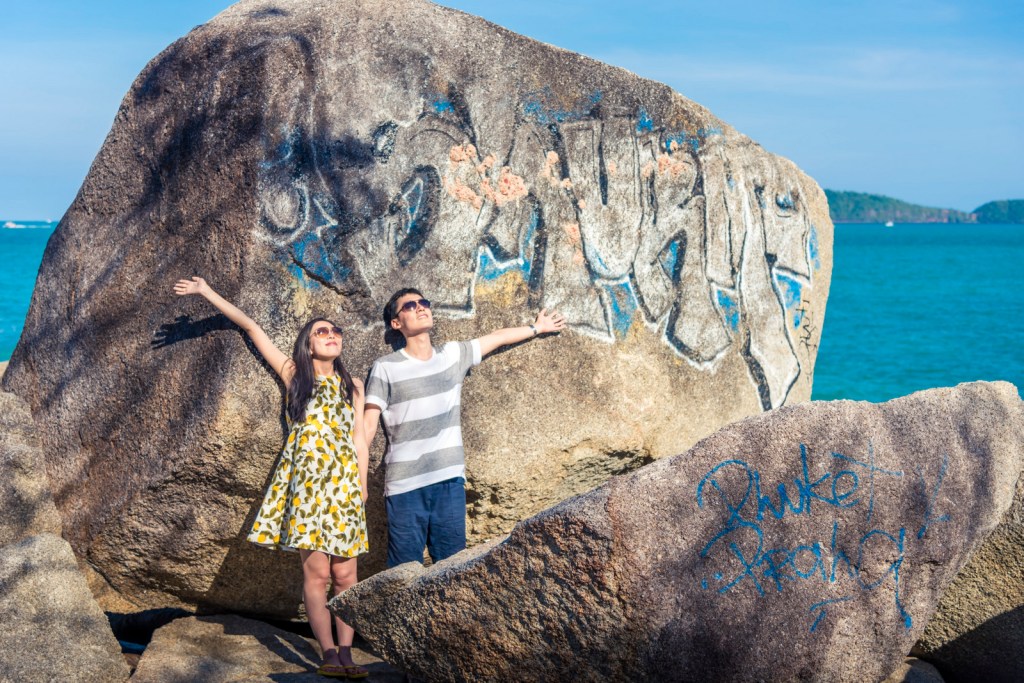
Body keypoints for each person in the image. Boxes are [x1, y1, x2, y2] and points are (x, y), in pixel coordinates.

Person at [173, 276, 369, 679]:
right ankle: (329, 653)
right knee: (317, 574)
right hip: (308, 486)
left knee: (346, 575)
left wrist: (362, 485)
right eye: (322, 331)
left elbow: (360, 440)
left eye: (335, 331)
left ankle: (348, 653)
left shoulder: (353, 385)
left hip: (345, 485)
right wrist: (207, 292)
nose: (331, 335)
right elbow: (251, 327)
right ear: (308, 344)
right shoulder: (295, 373)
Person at [364, 288, 565, 568]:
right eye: (410, 306)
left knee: (453, 568)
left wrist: (537, 328)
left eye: (424, 302)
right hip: (404, 485)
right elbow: (368, 426)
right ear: (396, 323)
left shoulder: (452, 354)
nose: (420, 307)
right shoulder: (386, 367)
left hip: (449, 479)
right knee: (402, 573)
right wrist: (357, 478)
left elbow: (496, 338)